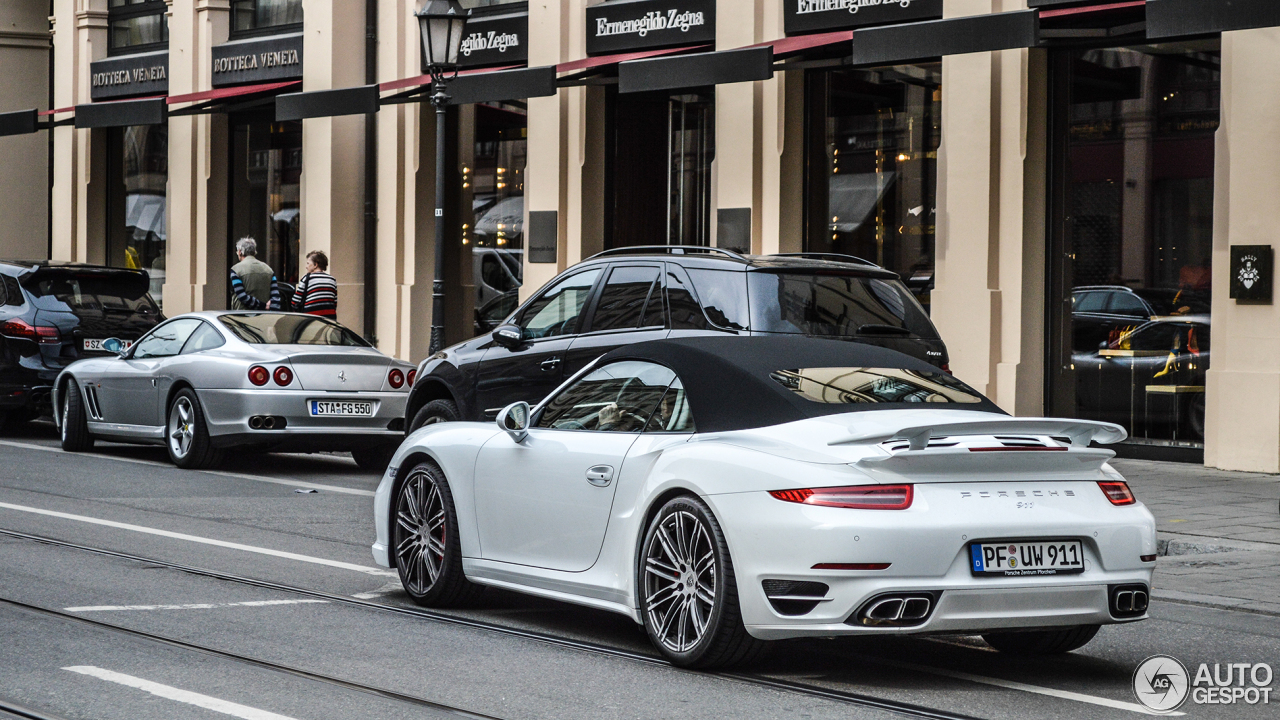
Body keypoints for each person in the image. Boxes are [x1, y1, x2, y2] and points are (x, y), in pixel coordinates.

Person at [229, 237, 281, 310]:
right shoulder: (269, 270)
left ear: (240, 252)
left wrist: (263, 306)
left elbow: (242, 296)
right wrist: (269, 308)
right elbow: (276, 296)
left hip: (242, 316)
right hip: (264, 316)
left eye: (237, 251)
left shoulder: (236, 270)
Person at [293, 250, 338, 317]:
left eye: (308, 263)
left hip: (311, 318)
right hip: (329, 318)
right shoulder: (332, 279)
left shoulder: (307, 278)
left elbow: (295, 300)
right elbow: (334, 302)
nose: (306, 266)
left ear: (315, 265)